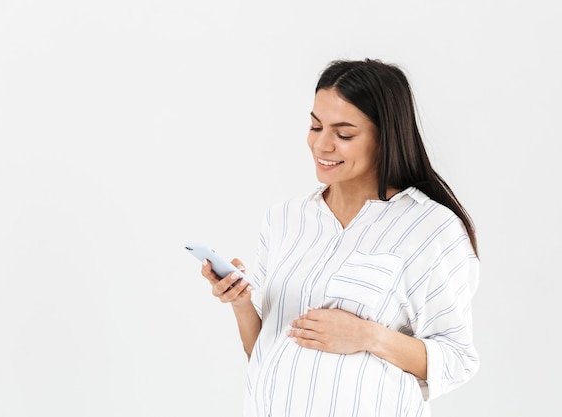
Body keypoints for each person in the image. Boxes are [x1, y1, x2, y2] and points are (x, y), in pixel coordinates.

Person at [200, 58, 480, 417]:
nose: (321, 145)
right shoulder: (285, 219)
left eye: (343, 134)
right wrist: (241, 302)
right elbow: (264, 353)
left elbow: (457, 359)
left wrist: (367, 336)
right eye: (316, 126)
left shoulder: (429, 228)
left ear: (385, 137)